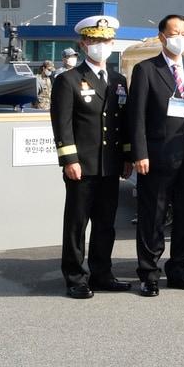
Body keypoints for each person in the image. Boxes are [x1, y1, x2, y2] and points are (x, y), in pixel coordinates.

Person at [51, 15, 132, 298]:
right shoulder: (68, 80)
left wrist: (126, 157)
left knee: (106, 224)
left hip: (109, 165)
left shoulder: (119, 80)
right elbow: (62, 124)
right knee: (76, 224)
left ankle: (102, 273)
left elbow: (122, 123)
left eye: (106, 40)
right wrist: (69, 160)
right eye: (95, 40)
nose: (101, 45)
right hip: (82, 165)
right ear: (84, 43)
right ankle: (75, 277)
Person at [127, 14, 184, 296]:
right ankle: (149, 273)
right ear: (162, 36)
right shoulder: (146, 69)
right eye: (175, 33)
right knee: (154, 217)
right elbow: (135, 116)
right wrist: (139, 152)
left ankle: (179, 270)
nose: (180, 38)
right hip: (157, 155)